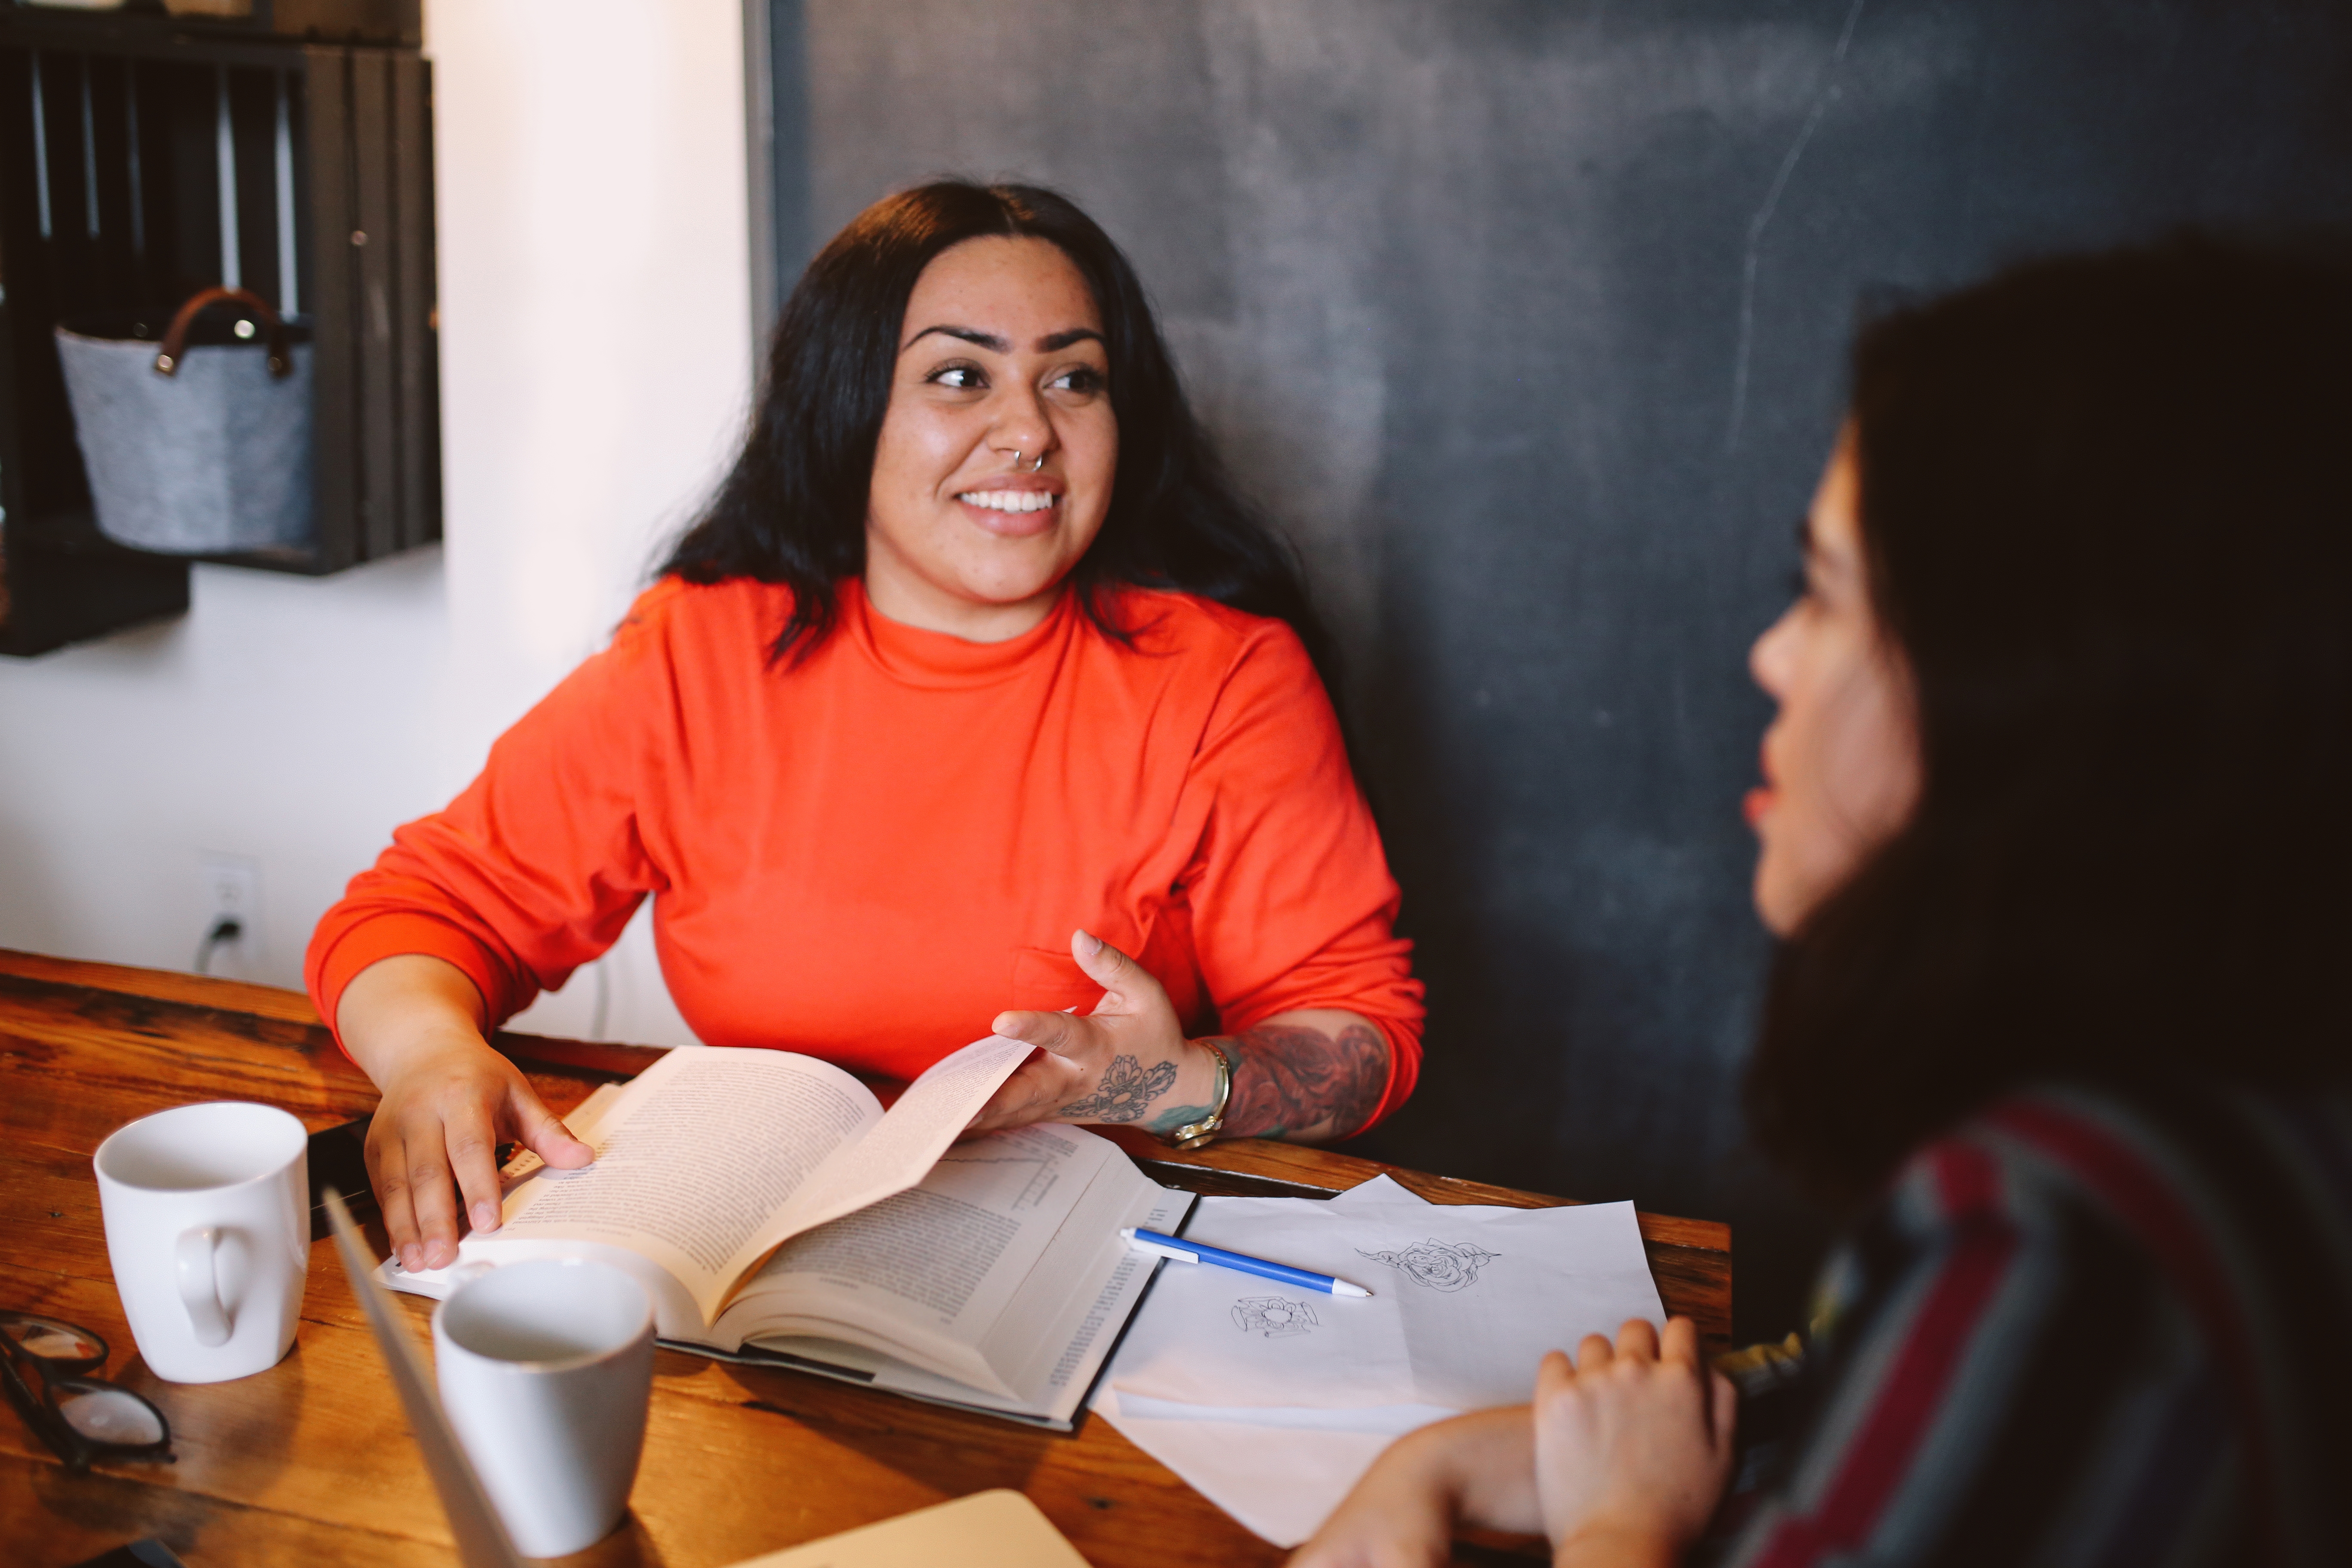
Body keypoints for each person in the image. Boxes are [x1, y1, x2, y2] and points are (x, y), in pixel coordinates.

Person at [1295, 237, 2352, 1567]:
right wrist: (1457, 1460)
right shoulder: (2222, 1129)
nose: (1771, 655)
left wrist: (1621, 1524)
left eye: (1831, 597)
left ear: (2035, 693)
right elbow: (1875, 1380)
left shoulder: (2064, 1242)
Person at [307, 181, 1424, 1277]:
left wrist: (1161, 1083)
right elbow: (426, 910)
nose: (1029, 429)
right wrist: (430, 1053)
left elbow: (1359, 1033)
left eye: (1074, 379)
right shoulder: (699, 654)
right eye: (959, 375)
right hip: (748, 1242)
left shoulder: (1226, 677)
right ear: (847, 408)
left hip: (1082, 1262)